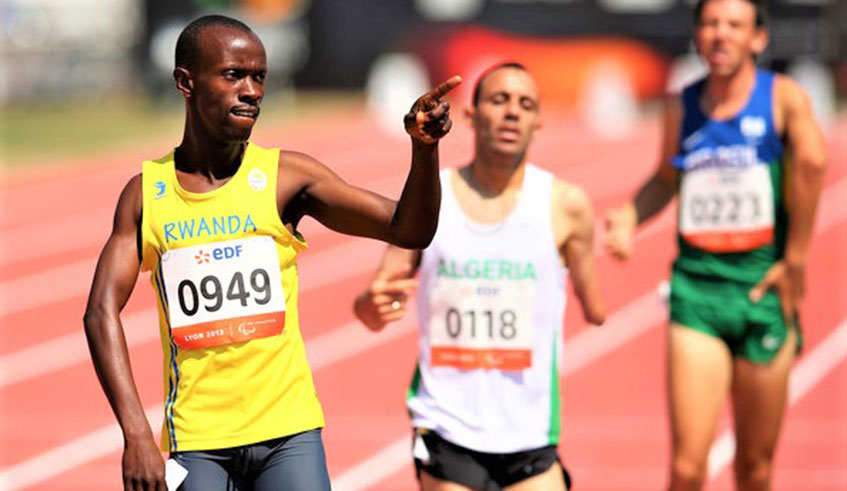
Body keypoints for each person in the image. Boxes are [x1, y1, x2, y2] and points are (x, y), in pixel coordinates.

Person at [83, 14, 461, 491]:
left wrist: (424, 150)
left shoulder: (288, 178)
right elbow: (100, 312)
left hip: (289, 434)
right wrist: (136, 432)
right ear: (186, 82)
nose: (252, 90)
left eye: (259, 76)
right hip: (198, 440)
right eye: (233, 74)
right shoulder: (147, 195)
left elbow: (410, 229)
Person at [604, 1, 827, 489]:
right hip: (697, 294)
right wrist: (629, 217)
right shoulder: (680, 105)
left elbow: (814, 162)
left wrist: (796, 260)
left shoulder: (782, 98)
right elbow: (664, 180)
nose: (720, 35)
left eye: (734, 25)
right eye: (709, 24)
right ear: (697, 34)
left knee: (755, 466)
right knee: (687, 467)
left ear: (758, 39)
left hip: (762, 294)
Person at [353, 62, 606, 491]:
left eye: (525, 104)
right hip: (447, 424)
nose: (511, 112)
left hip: (530, 429)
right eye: (498, 100)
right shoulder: (431, 200)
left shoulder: (566, 205)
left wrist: (604, 251)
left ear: (538, 122)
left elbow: (596, 310)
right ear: (471, 114)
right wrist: (373, 305)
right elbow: (374, 307)